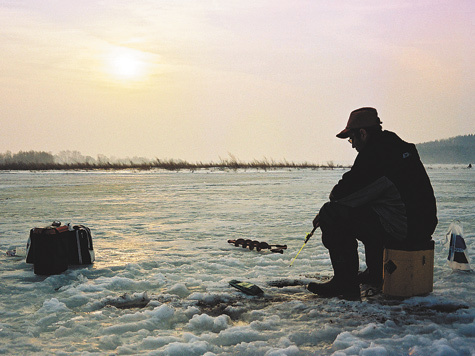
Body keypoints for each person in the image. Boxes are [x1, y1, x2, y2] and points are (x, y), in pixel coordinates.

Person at [308, 107, 437, 300]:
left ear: (363, 133)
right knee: (370, 209)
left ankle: (345, 282)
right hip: (421, 226)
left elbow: (341, 194)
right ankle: (376, 271)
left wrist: (325, 213)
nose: (352, 145)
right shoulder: (395, 146)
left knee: (331, 213)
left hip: (404, 229)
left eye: (351, 139)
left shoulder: (375, 154)